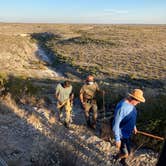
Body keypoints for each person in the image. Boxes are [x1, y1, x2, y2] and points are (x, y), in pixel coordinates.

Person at [112, 89, 145, 166]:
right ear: (133, 98)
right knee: (125, 153)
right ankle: (116, 157)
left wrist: (134, 126)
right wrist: (117, 139)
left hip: (127, 133)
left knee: (129, 151)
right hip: (121, 134)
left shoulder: (132, 105)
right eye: (138, 100)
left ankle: (122, 161)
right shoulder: (122, 107)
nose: (139, 102)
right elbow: (116, 124)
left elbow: (131, 117)